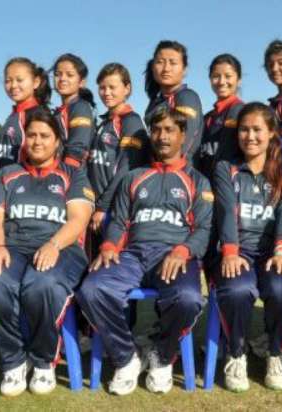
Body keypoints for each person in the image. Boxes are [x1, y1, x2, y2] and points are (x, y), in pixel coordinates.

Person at [76, 108, 213, 396]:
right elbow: (119, 221)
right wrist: (109, 245)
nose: (162, 136)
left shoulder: (197, 180)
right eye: (157, 130)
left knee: (188, 299)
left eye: (169, 130)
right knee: (92, 290)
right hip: (132, 256)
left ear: (183, 135)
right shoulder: (134, 177)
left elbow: (203, 229)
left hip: (173, 256)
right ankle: (127, 357)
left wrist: (183, 251)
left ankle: (162, 356)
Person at [0, 108, 94, 397]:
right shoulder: (8, 174)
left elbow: (79, 219)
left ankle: (43, 360)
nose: (37, 142)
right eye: (32, 135)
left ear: (57, 141)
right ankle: (13, 359)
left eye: (45, 136)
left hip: (61, 248)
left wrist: (54, 245)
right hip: (12, 247)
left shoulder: (73, 175)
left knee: (42, 284)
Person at [212, 102, 282, 392]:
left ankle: (275, 353)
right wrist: (230, 251)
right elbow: (226, 211)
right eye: (244, 130)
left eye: (257, 130)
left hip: (274, 252)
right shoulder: (226, 168)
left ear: (272, 132)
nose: (250, 136)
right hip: (238, 250)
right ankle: (236, 353)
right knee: (237, 290)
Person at [87, 63, 149, 236]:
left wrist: (103, 206)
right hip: (95, 206)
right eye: (102, 88)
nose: (106, 93)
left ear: (127, 88)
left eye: (112, 87)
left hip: (113, 209)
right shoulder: (103, 123)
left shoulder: (131, 121)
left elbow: (125, 169)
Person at [144, 40, 203, 167]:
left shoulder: (187, 97)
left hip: (179, 173)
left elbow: (186, 145)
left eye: (173, 63)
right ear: (153, 67)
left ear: (184, 69)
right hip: (155, 171)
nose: (166, 68)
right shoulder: (155, 102)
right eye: (160, 62)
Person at [0, 57, 51, 171]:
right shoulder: (15, 115)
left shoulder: (38, 116)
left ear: (35, 82)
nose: (13, 85)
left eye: (19, 80)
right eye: (8, 81)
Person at [198, 53, 244, 179]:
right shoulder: (207, 117)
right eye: (216, 76)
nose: (222, 81)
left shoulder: (243, 113)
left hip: (230, 183)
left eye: (228, 76)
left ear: (239, 79)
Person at [51, 53, 97, 167]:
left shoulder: (80, 108)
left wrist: (64, 174)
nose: (62, 79)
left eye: (70, 75)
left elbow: (77, 150)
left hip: (71, 175)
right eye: (58, 74)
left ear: (82, 82)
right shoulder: (59, 111)